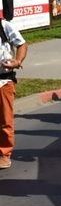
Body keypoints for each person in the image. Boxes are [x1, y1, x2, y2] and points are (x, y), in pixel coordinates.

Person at [0, 18, 27, 169]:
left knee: (5, 120)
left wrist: (17, 61)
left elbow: (22, 44)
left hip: (3, 80)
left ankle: (4, 154)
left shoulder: (3, 25)